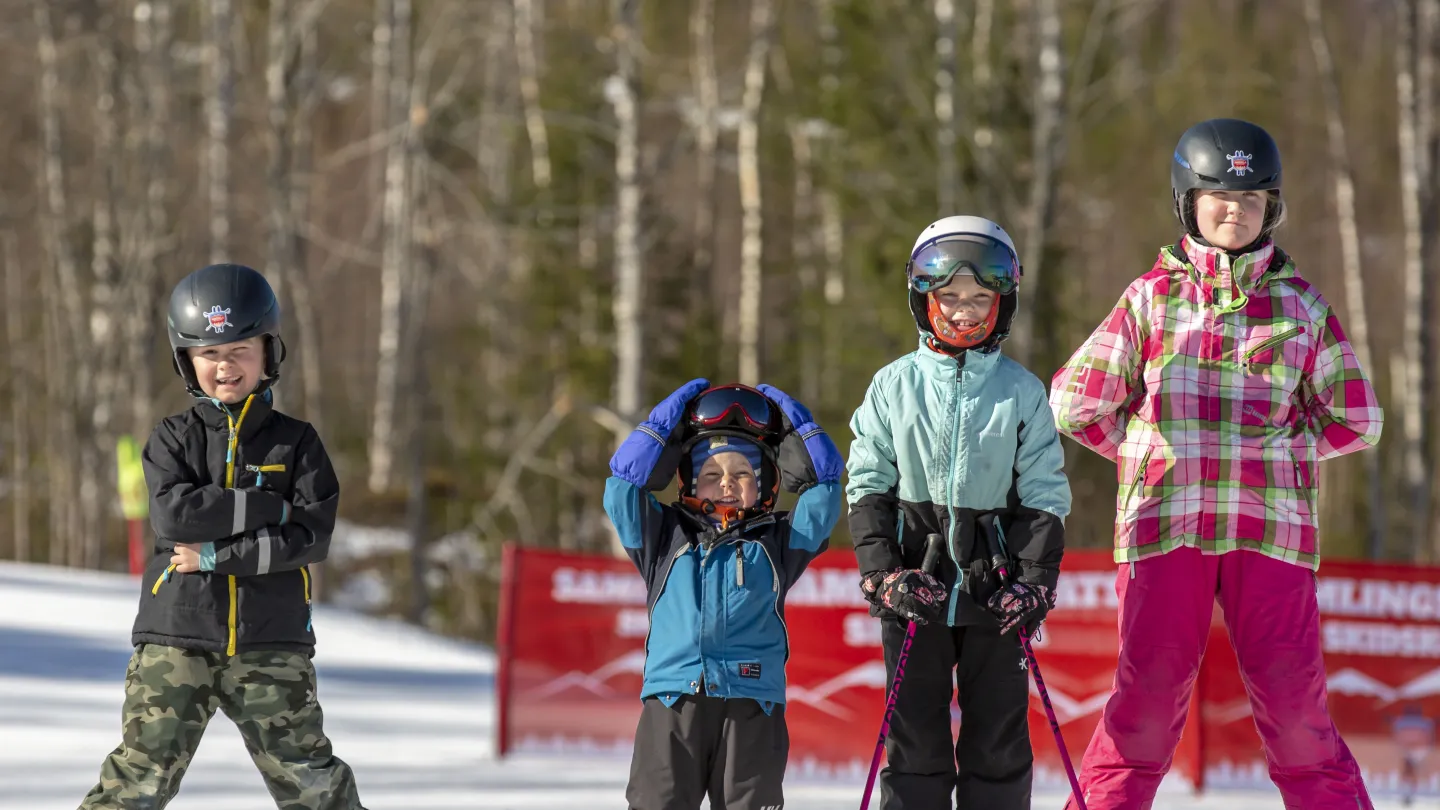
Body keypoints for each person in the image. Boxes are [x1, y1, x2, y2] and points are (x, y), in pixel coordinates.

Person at [1050, 118, 1383, 809]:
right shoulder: (1152, 299)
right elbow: (1075, 402)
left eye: (1254, 200)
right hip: (1164, 525)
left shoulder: (1300, 306)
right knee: (1144, 705)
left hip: (1271, 532)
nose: (1236, 211)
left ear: (1272, 210)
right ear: (1188, 202)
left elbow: (1357, 418)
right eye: (1221, 197)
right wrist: (1142, 452)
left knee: (1295, 712)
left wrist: (1286, 456)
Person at [80, 263, 364, 810]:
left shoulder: (298, 444)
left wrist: (215, 556)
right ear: (187, 360)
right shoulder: (171, 438)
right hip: (176, 641)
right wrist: (267, 506)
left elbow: (312, 535)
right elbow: (174, 517)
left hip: (272, 646)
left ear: (268, 352)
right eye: (208, 353)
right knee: (137, 779)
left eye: (240, 349)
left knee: (314, 782)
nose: (224, 366)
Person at [846, 215, 1072, 809]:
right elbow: (868, 483)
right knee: (915, 744)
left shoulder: (1022, 392)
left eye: (981, 298)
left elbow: (1044, 493)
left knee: (998, 743)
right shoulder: (893, 385)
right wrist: (883, 573)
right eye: (950, 297)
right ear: (924, 300)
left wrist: (1033, 582)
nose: (966, 310)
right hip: (914, 589)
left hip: (993, 591)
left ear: (1005, 302)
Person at [605, 380, 844, 810]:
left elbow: (824, 495)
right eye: (711, 475)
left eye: (742, 474)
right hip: (673, 701)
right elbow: (623, 489)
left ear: (766, 485)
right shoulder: (664, 536)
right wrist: (662, 431)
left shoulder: (779, 541)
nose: (726, 484)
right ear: (689, 484)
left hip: (752, 705)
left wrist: (800, 433)